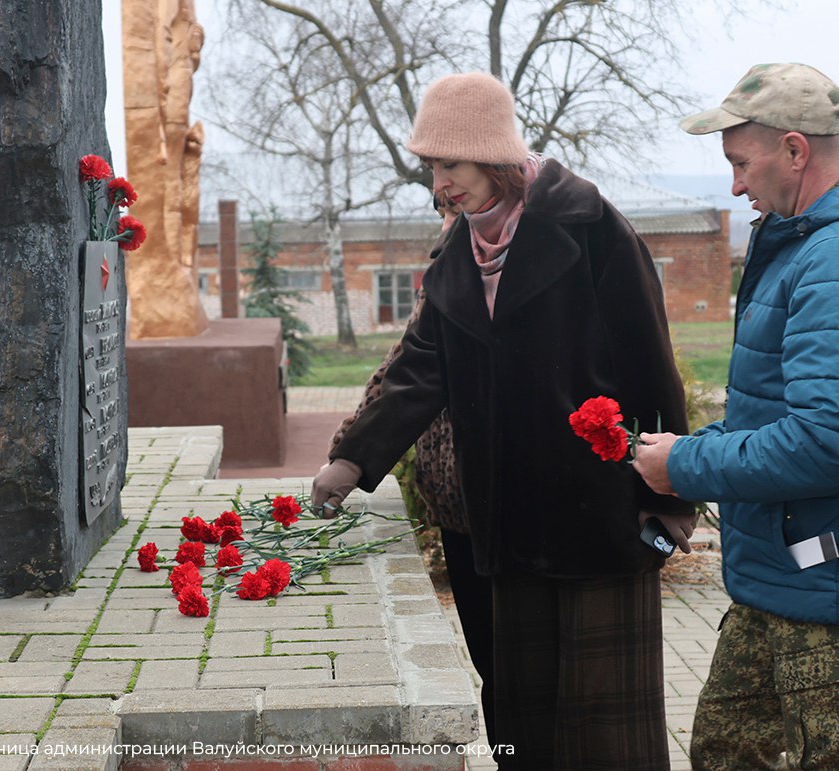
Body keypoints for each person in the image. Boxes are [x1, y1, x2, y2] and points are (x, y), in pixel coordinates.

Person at [312, 72, 697, 770]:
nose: (440, 184)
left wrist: (669, 502)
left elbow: (651, 367)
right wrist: (353, 459)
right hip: (507, 523)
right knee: (523, 723)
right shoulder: (459, 250)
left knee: (606, 729)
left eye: (449, 165)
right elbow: (420, 367)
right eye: (431, 168)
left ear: (491, 154)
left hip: (598, 516)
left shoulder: (591, 229)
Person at [633, 62, 839, 770]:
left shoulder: (830, 260)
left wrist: (686, 464)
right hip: (778, 574)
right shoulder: (797, 245)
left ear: (794, 150)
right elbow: (775, 411)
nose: (734, 185)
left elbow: (822, 441)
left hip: (822, 581)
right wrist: (695, 447)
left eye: (740, 162)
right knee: (724, 752)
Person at [328, 192, 501, 745]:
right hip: (455, 508)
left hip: (510, 506)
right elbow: (400, 369)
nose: (447, 222)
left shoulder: (509, 273)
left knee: (519, 672)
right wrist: (347, 454)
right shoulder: (446, 276)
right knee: (491, 666)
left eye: (457, 209)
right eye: (443, 212)